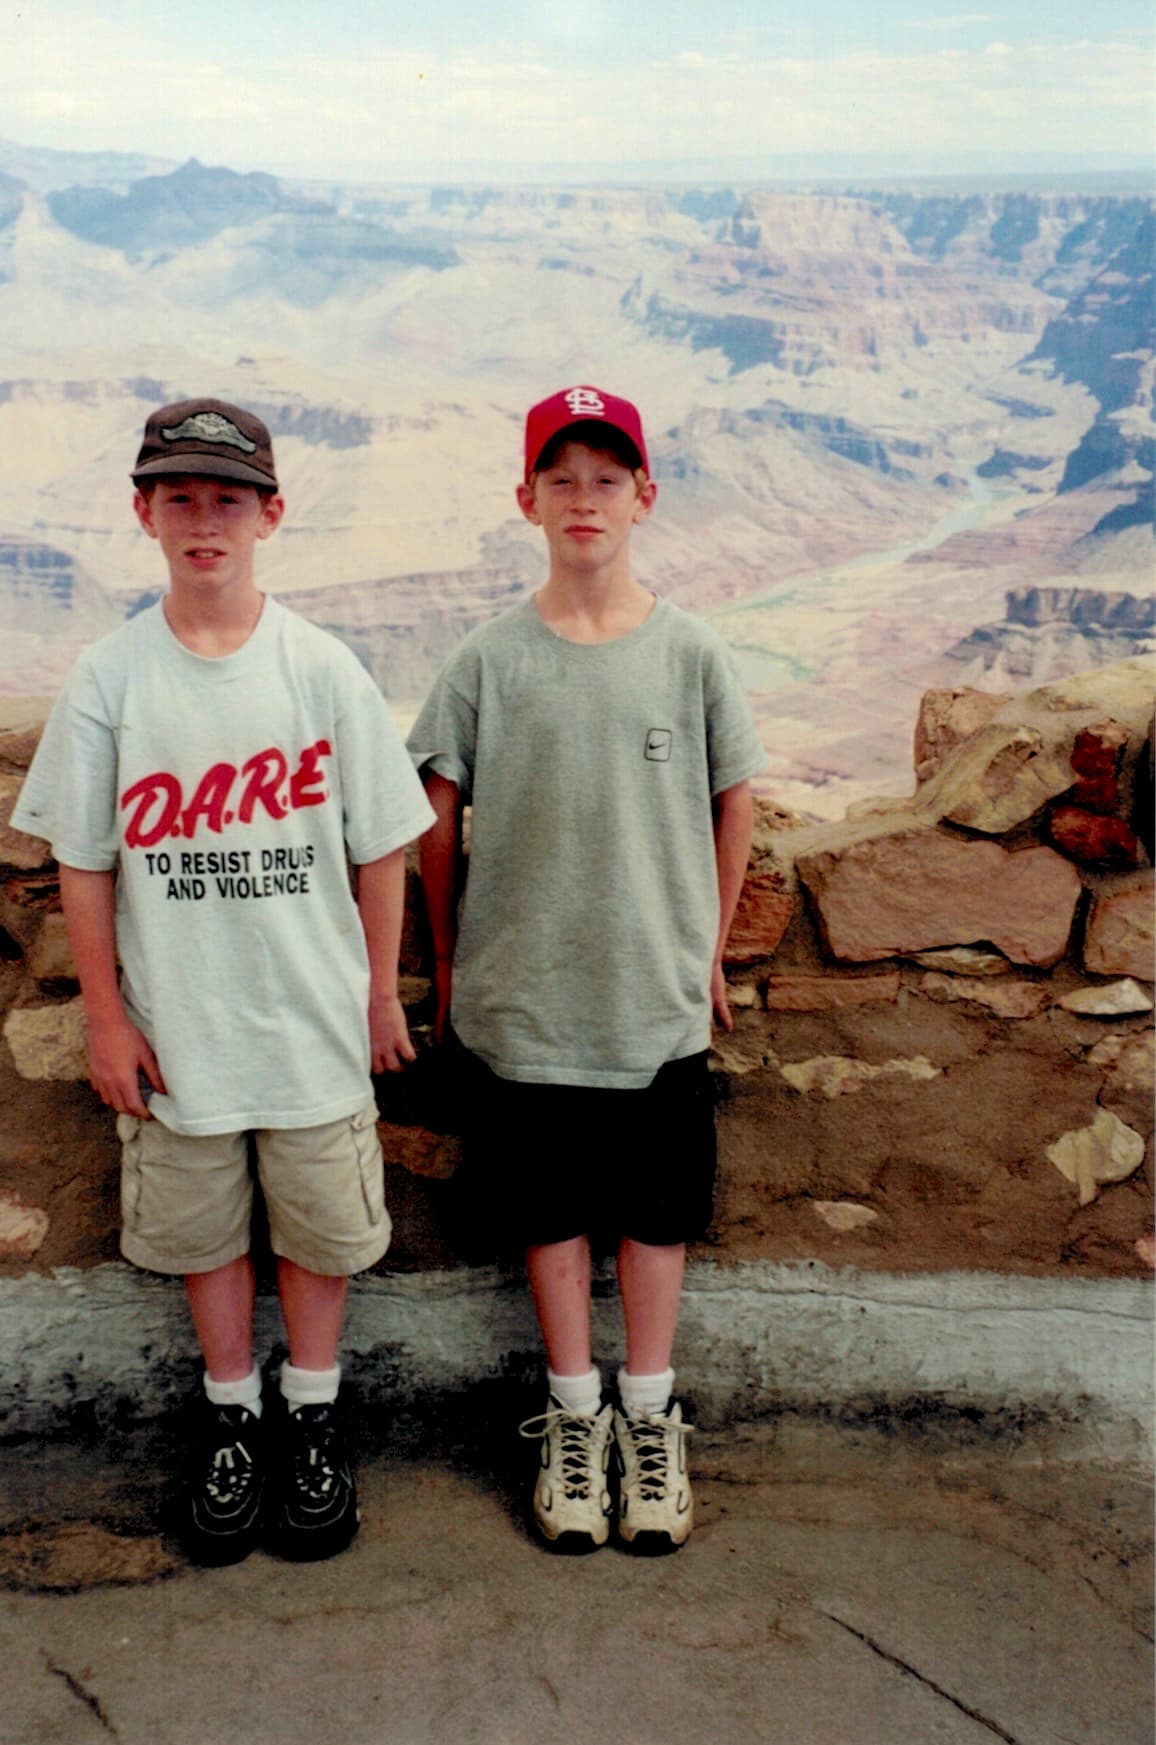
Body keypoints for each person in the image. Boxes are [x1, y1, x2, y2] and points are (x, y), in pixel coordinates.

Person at [12, 398, 433, 1565]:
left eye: (229, 498)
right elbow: (84, 861)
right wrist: (106, 1016)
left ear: (272, 513)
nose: (207, 521)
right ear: (143, 513)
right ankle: (232, 1414)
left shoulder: (321, 668)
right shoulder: (113, 677)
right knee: (205, 1232)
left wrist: (379, 991)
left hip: (309, 1018)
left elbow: (381, 840)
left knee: (316, 1228)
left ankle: (312, 1416)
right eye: (182, 497)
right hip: (179, 1024)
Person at [408, 384, 764, 1553]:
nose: (582, 498)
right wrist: (452, 963)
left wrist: (703, 947)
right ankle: (572, 1417)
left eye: (605, 478)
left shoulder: (692, 651)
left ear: (644, 496)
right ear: (525, 499)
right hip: (525, 1002)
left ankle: (649, 1419)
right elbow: (437, 820)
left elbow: (734, 798)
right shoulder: (486, 657)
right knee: (550, 1214)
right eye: (559, 478)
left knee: (653, 1217)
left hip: (651, 1002)